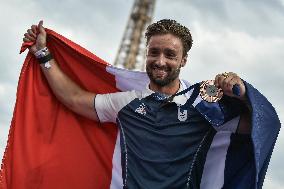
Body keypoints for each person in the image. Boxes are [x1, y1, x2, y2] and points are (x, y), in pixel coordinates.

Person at [23, 19, 252, 188]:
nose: (160, 61)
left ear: (183, 60)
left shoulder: (205, 106)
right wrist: (43, 54)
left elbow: (256, 127)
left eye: (170, 55)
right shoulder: (126, 103)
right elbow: (73, 98)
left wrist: (243, 94)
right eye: (154, 52)